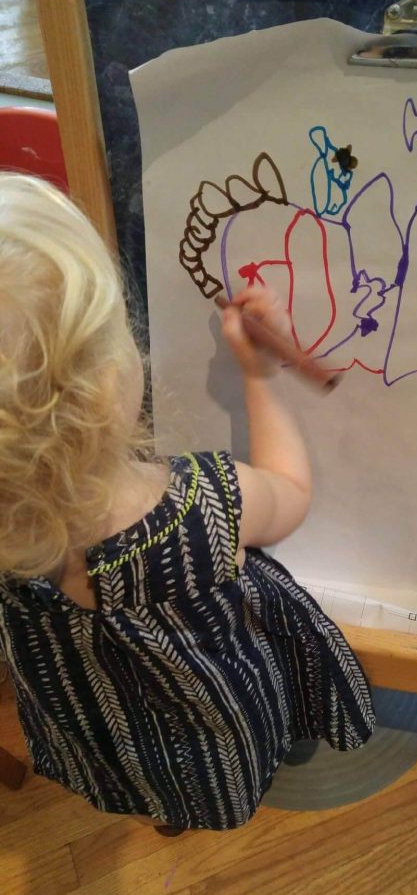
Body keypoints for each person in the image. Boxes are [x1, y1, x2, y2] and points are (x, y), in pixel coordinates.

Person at [0, 174, 374, 833]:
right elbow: (289, 493)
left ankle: (165, 803)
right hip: (210, 721)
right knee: (205, 758)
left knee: (151, 763)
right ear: (109, 381)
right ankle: (194, 801)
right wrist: (259, 375)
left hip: (100, 723)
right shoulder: (202, 507)